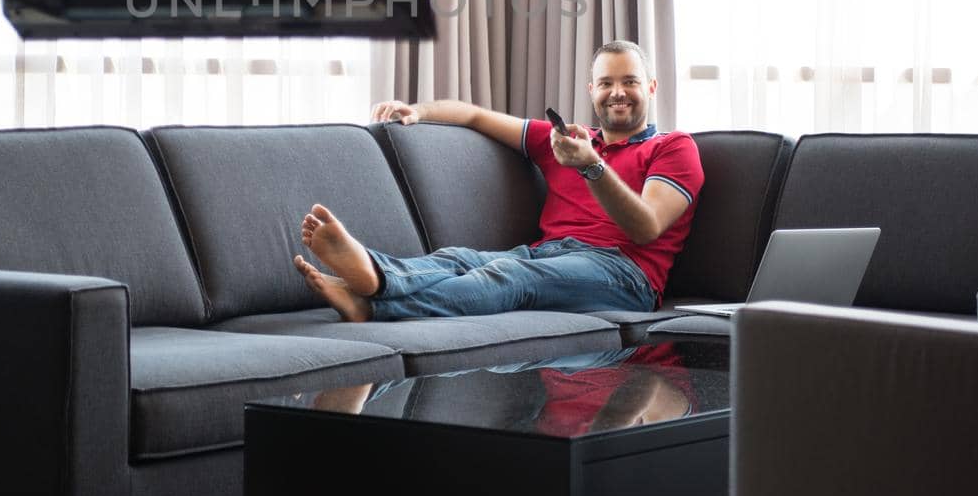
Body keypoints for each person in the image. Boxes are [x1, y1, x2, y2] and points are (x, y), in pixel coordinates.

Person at [290, 40, 703, 322]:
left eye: (629, 81)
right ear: (591, 90)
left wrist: (591, 166)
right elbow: (475, 116)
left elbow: (645, 225)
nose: (618, 93)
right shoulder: (566, 141)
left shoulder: (673, 147)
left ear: (650, 87)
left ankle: (373, 303)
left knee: (509, 274)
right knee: (460, 259)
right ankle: (376, 276)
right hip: (550, 254)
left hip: (625, 273)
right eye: (607, 83)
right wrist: (415, 110)